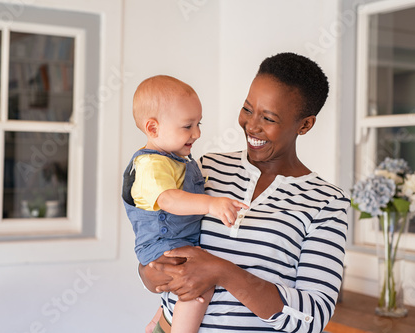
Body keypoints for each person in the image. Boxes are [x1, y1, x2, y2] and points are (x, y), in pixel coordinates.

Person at [138, 53, 351, 333]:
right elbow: (157, 240)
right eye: (248, 109)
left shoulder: (327, 202)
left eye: (269, 118)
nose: (251, 126)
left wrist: (222, 271)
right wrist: (149, 273)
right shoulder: (204, 168)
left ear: (305, 125)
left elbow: (314, 316)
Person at [122, 75, 248, 333]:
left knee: (185, 280)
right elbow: (169, 199)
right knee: (199, 286)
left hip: (179, 241)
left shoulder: (176, 159)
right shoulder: (151, 165)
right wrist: (211, 205)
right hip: (162, 244)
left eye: (198, 124)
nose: (197, 133)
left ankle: (158, 319)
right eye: (187, 126)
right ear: (153, 129)